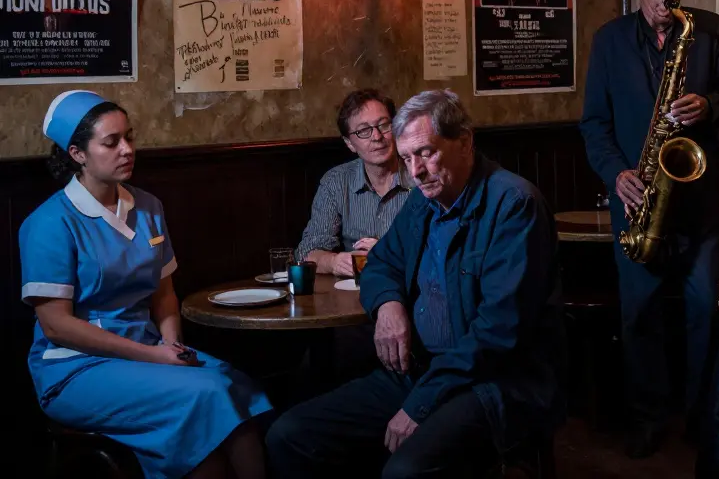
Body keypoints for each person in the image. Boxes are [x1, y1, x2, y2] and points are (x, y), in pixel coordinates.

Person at [266, 89, 564, 478]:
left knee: (404, 470)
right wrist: (388, 306)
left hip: (492, 382)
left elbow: (497, 333)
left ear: (465, 142)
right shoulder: (424, 199)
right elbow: (381, 263)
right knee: (289, 435)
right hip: (421, 370)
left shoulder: (514, 205)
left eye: (425, 153)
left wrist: (420, 404)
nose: (416, 171)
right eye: (407, 158)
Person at [20, 90, 271, 479]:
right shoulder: (49, 223)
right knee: (204, 394)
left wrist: (172, 346)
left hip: (148, 350)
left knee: (233, 384)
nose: (127, 150)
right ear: (77, 154)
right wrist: (154, 357)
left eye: (129, 137)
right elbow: (57, 326)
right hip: (76, 368)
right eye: (111, 142)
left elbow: (164, 294)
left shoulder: (148, 207)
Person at [580, 0, 719, 457]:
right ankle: (648, 420)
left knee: (706, 312)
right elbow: (594, 123)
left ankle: (703, 421)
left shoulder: (707, 29)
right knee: (641, 315)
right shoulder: (609, 41)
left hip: (700, 202)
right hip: (638, 200)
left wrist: (709, 105)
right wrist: (617, 174)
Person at [295, 89, 413, 278]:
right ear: (349, 143)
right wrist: (334, 262)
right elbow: (307, 251)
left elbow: (442, 250)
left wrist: (387, 253)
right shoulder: (336, 182)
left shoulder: (421, 175)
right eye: (364, 131)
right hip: (355, 289)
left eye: (383, 125)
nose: (377, 136)